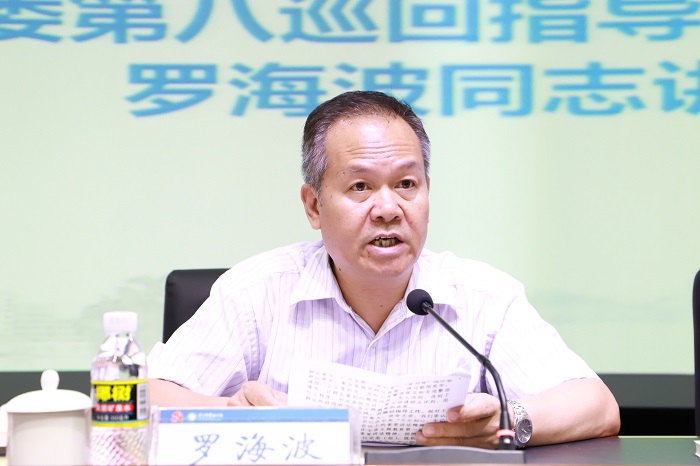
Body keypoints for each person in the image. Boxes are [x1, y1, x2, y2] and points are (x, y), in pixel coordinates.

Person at [147, 90, 620, 448]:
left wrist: (508, 420)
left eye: (407, 184)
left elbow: (598, 406)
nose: (389, 209)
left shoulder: (485, 297)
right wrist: (233, 413)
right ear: (313, 206)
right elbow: (147, 398)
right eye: (360, 187)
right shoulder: (256, 291)